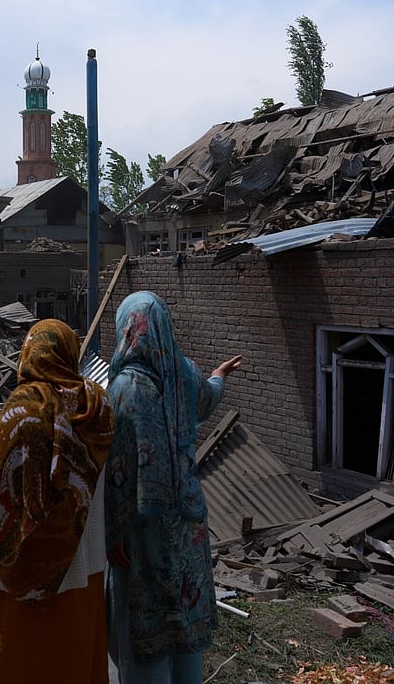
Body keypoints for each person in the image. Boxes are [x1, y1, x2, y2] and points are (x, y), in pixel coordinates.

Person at [0, 319, 115, 683]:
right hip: (85, 568)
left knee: (18, 665)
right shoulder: (99, 407)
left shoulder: (24, 409)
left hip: (21, 573)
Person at [103, 291, 243, 683]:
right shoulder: (182, 374)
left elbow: (117, 471)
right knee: (184, 616)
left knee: (145, 626)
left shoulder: (124, 390)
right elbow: (208, 397)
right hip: (189, 524)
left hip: (142, 532)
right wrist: (219, 374)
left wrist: (111, 535)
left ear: (127, 330)